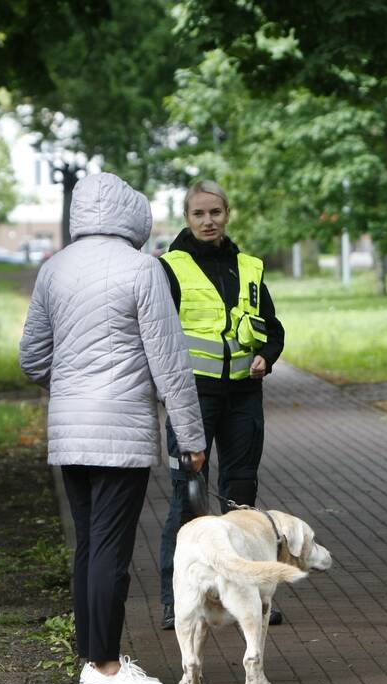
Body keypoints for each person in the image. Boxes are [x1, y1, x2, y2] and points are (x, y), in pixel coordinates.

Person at [19, 173, 207, 684]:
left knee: (88, 545)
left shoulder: (54, 270)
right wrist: (192, 438)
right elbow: (171, 364)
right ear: (131, 215)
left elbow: (32, 357)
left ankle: (91, 657)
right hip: (120, 430)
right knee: (111, 551)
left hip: (69, 431)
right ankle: (103, 667)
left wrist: (74, 385)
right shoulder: (142, 269)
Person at [157, 180, 286, 631]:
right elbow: (157, 333)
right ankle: (179, 601)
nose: (208, 221)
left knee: (242, 502)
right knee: (188, 498)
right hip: (192, 398)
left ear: (227, 214)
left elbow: (273, 329)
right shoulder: (170, 268)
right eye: (199, 214)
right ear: (187, 218)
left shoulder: (249, 266)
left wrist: (265, 356)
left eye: (215, 213)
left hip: (243, 397)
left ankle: (249, 595)